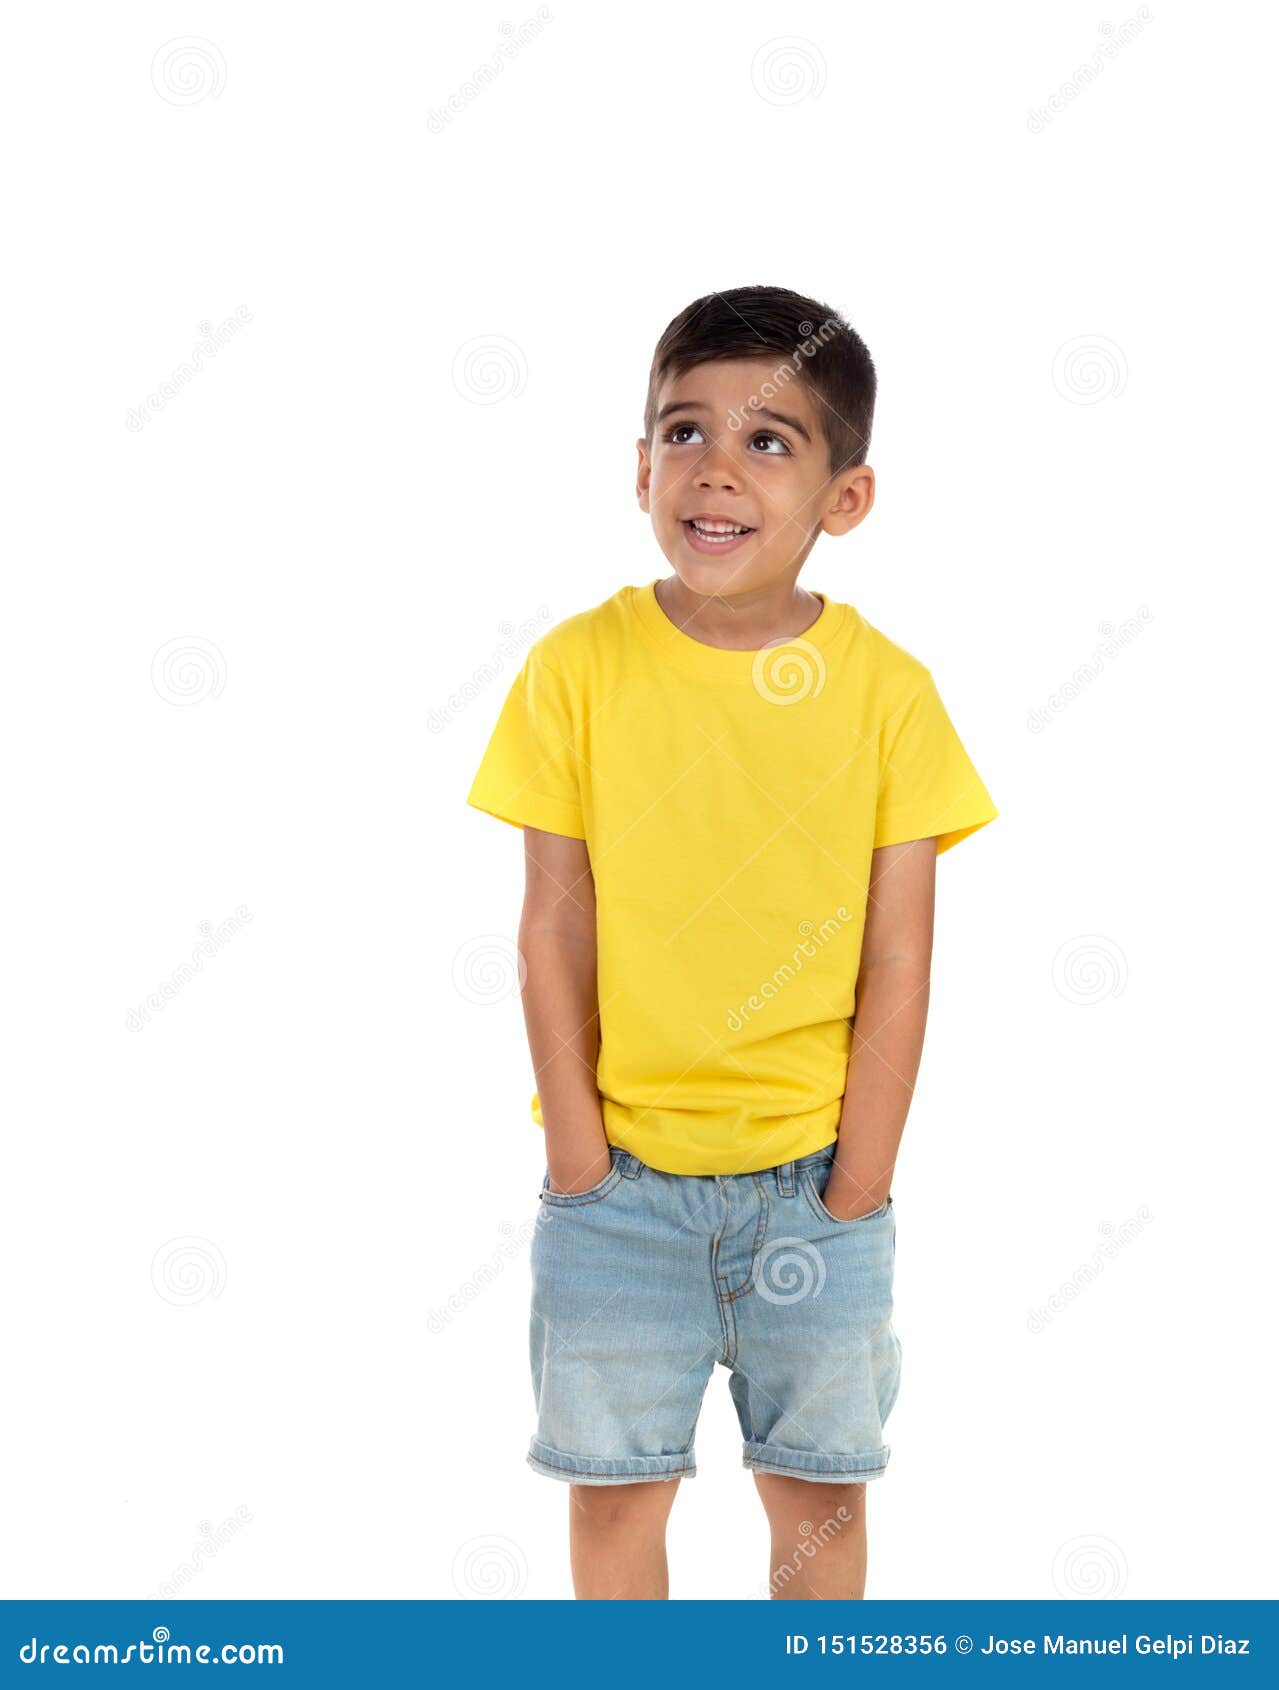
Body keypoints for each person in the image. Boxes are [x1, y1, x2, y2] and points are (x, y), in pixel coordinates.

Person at [466, 285, 998, 1599]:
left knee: (816, 1506)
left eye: (770, 442)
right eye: (684, 430)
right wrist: (580, 1158)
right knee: (611, 1508)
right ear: (641, 467)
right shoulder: (576, 668)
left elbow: (901, 962)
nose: (715, 466)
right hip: (619, 1194)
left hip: (815, 1187)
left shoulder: (888, 694)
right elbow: (552, 921)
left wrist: (857, 1185)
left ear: (846, 497)